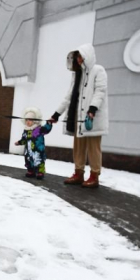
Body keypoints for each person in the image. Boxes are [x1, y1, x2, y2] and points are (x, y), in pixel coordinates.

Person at [51, 44, 109, 188]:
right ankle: (78, 173)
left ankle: (94, 176)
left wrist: (92, 109)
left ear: (87, 55)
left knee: (93, 147)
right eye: (76, 56)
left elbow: (100, 91)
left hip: (92, 116)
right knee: (79, 146)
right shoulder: (77, 74)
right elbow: (69, 96)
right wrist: (56, 114)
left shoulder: (98, 70)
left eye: (80, 56)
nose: (78, 59)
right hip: (77, 116)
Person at [14, 107, 53, 180]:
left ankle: (40, 172)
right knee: (28, 160)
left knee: (38, 160)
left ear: (35, 121)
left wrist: (49, 123)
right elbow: (24, 139)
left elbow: (46, 129)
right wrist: (19, 142)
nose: (28, 122)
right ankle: (31, 170)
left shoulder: (38, 129)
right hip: (28, 150)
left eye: (30, 120)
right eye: (26, 120)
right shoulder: (26, 130)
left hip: (37, 149)